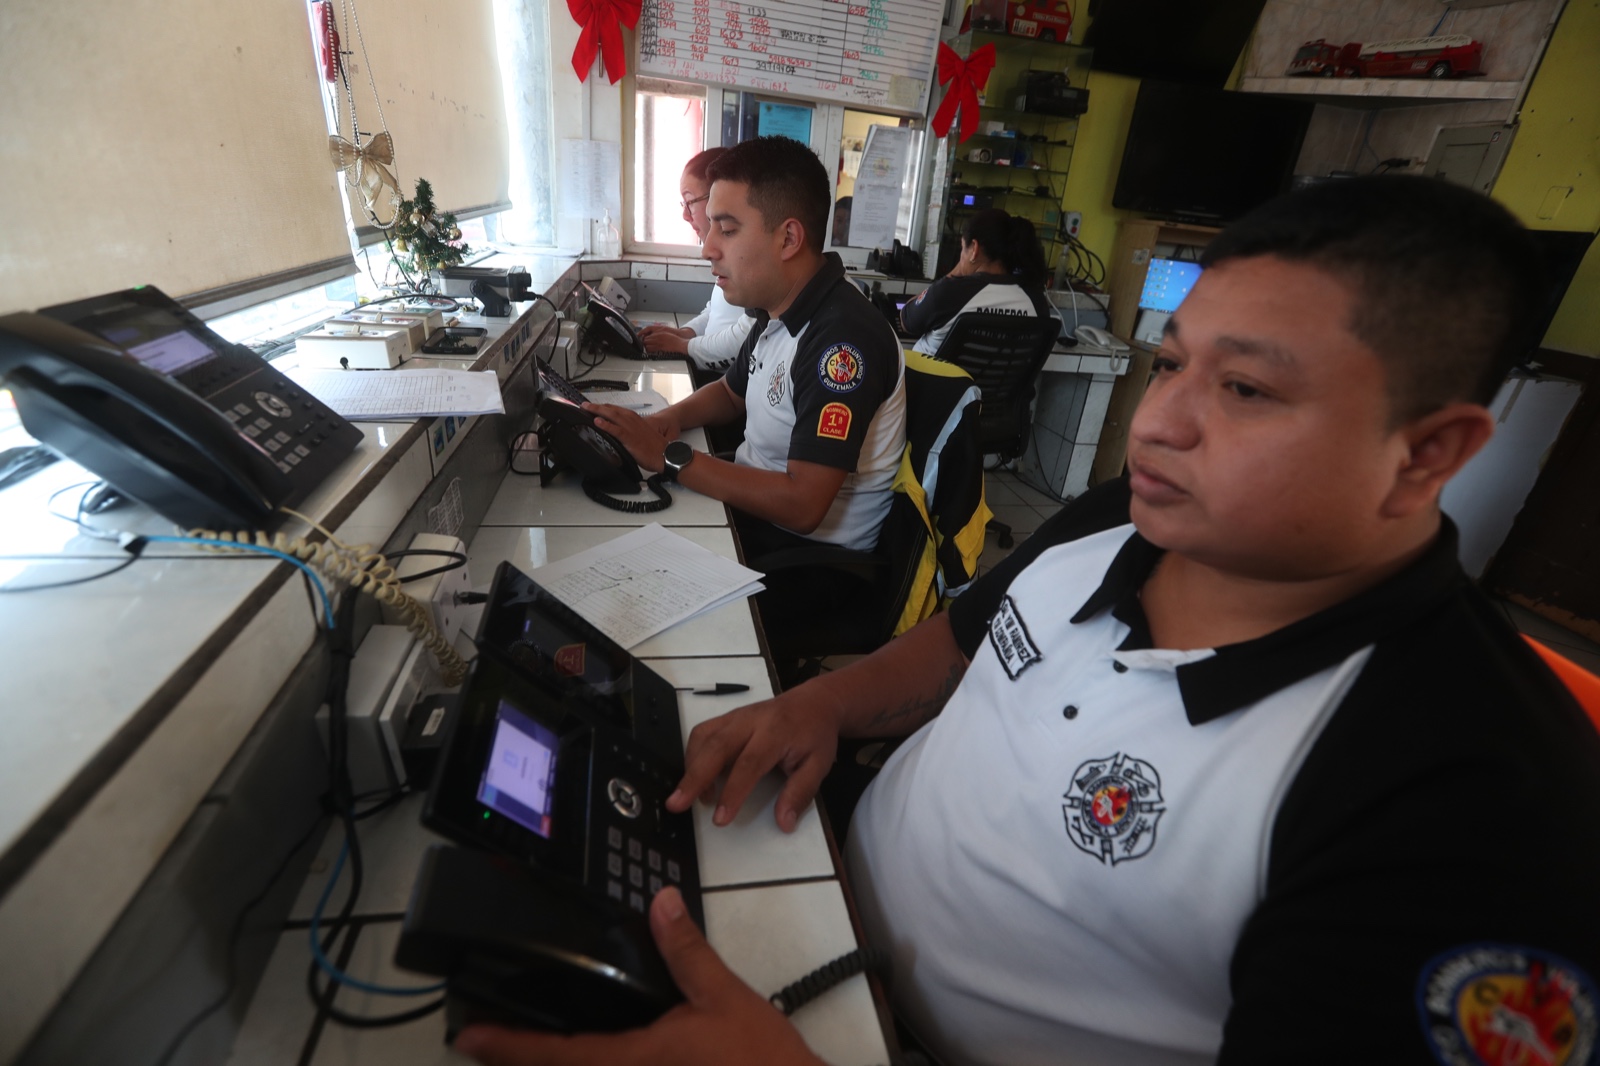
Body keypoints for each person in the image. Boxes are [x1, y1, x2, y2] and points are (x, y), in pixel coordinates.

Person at [455, 176, 1600, 1066]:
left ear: (1429, 454)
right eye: (1169, 365)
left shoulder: (1468, 809)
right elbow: (961, 639)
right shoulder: (1120, 521)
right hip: (819, 877)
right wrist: (819, 701)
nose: (1157, 426)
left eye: (1244, 390)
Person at [585, 136, 906, 560]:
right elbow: (731, 392)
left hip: (807, 556)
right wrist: (668, 419)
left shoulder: (842, 341)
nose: (707, 247)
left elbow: (803, 505)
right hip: (756, 512)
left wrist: (668, 456)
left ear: (789, 238)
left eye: (728, 229)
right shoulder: (779, 307)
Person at [636, 147, 755, 377]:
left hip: (726, 376)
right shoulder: (725, 253)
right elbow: (716, 311)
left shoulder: (750, 257)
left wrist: (684, 347)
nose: (685, 215)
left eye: (690, 201)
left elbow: (748, 334)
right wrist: (685, 333)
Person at [903, 208, 1056, 355]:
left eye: (963, 248)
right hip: (996, 382)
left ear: (974, 249)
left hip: (933, 379)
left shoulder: (950, 293)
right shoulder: (1037, 302)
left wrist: (956, 273)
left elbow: (907, 321)